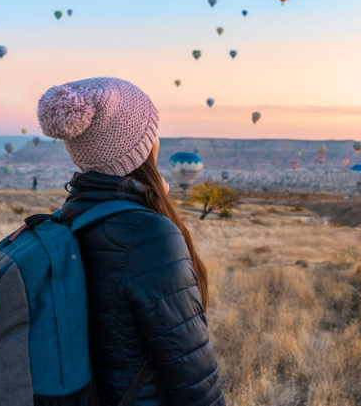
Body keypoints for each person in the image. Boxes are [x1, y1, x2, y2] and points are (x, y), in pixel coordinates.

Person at [37, 77, 225, 406]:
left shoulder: (70, 218)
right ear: (140, 145)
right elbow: (192, 372)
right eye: (152, 132)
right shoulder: (147, 233)